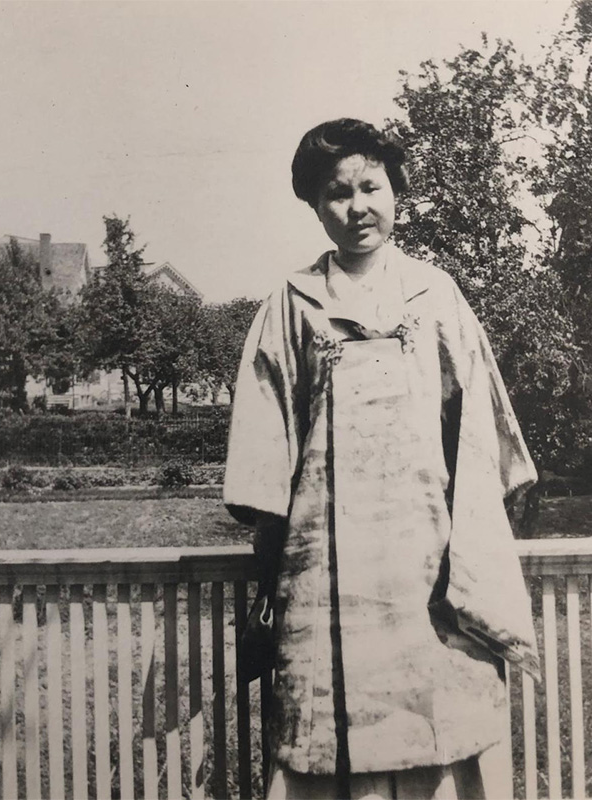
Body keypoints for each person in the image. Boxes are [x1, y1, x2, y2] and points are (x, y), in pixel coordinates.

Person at [224, 118, 539, 800]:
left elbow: (478, 431)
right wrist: (269, 563)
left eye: (372, 186)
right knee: (326, 735)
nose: (358, 206)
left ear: (397, 193)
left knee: (438, 718)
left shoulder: (436, 296)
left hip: (429, 564)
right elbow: (266, 444)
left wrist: (474, 538)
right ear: (314, 205)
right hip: (322, 571)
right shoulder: (291, 303)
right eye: (337, 193)